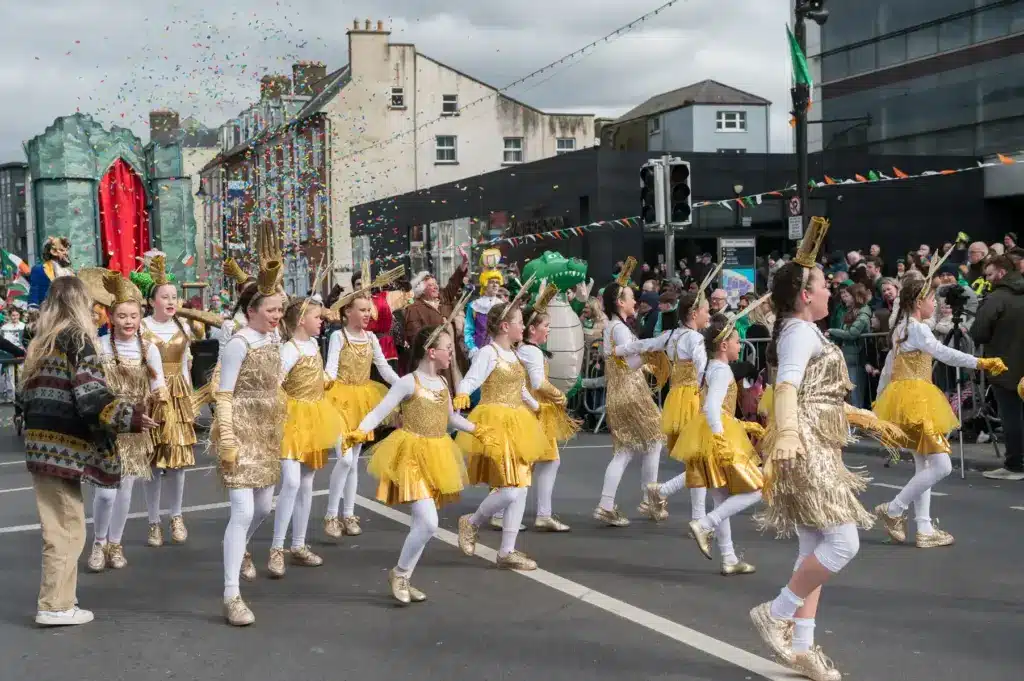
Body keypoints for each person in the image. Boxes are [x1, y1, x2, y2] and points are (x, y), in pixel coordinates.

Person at [750, 217, 903, 680]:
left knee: (814, 545)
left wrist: (863, 417)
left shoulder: (805, 330)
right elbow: (788, 387)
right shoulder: (798, 331)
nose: (830, 293)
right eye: (822, 286)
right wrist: (793, 435)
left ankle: (802, 647)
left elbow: (820, 392)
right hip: (807, 445)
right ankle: (776, 612)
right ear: (804, 295)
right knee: (843, 541)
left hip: (817, 438)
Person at [20, 277, 156, 626]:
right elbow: (92, 397)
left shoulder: (41, 342)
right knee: (69, 529)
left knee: (57, 526)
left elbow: (24, 398)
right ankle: (55, 605)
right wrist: (132, 417)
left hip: (39, 445)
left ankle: (60, 597)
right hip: (63, 447)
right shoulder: (78, 340)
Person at [354, 321, 492, 604]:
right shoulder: (409, 382)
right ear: (431, 352)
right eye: (447, 349)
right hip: (410, 456)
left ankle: (403, 576)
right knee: (429, 522)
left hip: (437, 453)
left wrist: (476, 429)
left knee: (422, 522)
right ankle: (401, 573)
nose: (451, 354)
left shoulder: (442, 382)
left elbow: (451, 418)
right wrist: (358, 430)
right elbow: (380, 411)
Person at [874, 258, 1007, 547]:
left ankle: (923, 528)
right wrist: (980, 362)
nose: (935, 303)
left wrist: (880, 399)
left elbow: (888, 367)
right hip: (918, 402)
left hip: (906, 399)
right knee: (942, 465)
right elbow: (945, 353)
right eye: (932, 298)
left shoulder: (903, 328)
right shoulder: (917, 329)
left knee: (924, 466)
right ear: (920, 301)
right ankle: (894, 508)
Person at [212, 224, 287, 626]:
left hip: (268, 431)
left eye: (279, 309)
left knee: (263, 506)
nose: (277, 316)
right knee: (241, 510)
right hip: (239, 430)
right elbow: (223, 393)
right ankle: (231, 595)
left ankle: (240, 547)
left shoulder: (273, 341)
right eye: (270, 310)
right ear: (252, 310)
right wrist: (226, 437)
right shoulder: (239, 341)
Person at [617, 264, 720, 522]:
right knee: (699, 458)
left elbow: (647, 344)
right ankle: (664, 494)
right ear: (694, 313)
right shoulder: (695, 340)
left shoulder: (673, 335)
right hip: (691, 398)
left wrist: (618, 351)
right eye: (706, 310)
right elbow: (701, 369)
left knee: (696, 459)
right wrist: (709, 392)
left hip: (676, 398)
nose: (708, 315)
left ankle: (696, 516)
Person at [454, 299, 547, 571]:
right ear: (506, 326)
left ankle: (507, 550)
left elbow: (519, 388)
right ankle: (471, 523)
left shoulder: (515, 354)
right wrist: (461, 394)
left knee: (522, 486)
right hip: (495, 421)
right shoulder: (489, 353)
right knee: (508, 489)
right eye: (520, 321)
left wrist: (536, 406)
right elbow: (472, 379)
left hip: (518, 420)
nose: (524, 326)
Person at [676, 306, 768, 575]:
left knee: (722, 496)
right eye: (738, 342)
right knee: (756, 488)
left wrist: (738, 423)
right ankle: (705, 524)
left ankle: (728, 558)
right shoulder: (722, 371)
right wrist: (721, 438)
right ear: (724, 345)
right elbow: (713, 408)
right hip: (717, 435)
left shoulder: (713, 367)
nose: (741, 346)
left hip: (712, 432)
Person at [86, 270, 166, 573]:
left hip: (135, 428)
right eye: (122, 316)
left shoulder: (150, 349)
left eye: (133, 316)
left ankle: (115, 543)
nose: (129, 322)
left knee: (126, 490)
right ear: (110, 316)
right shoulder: (99, 346)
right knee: (105, 492)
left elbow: (160, 386)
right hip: (107, 426)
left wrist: (160, 402)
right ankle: (99, 541)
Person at [268, 297, 348, 577]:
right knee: (290, 482)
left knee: (306, 483)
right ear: (301, 320)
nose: (322, 321)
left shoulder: (313, 345)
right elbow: (273, 383)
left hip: (315, 417)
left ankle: (298, 545)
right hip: (292, 419)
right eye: (317, 317)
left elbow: (318, 376)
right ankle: (277, 548)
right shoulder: (288, 350)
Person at [592, 258, 665, 527]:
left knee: (626, 450)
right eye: (632, 298)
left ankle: (607, 503)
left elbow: (621, 363)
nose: (636, 301)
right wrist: (652, 354)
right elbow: (629, 362)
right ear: (620, 303)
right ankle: (650, 498)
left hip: (617, 393)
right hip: (632, 393)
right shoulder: (620, 329)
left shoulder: (612, 327)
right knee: (654, 440)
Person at [323, 287, 401, 538]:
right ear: (348, 312)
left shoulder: (371, 339)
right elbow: (331, 369)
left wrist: (406, 385)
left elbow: (384, 369)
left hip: (363, 402)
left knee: (354, 462)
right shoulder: (339, 337)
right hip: (340, 401)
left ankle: (348, 514)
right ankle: (331, 515)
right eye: (363, 310)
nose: (368, 314)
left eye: (370, 310)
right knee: (345, 459)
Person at [140, 253, 197, 547]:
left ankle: (176, 515)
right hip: (152, 398)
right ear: (152, 301)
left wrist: (190, 402)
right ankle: (153, 521)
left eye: (174, 296)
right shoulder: (142, 327)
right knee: (153, 463)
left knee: (178, 463)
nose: (171, 301)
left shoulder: (183, 328)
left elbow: (187, 365)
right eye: (165, 296)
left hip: (179, 399)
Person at [514, 286, 580, 531]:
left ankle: (540, 513)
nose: (549, 331)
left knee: (545, 460)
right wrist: (558, 396)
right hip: (533, 411)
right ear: (532, 329)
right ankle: (504, 512)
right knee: (528, 462)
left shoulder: (528, 350)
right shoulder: (531, 351)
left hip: (533, 410)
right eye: (546, 327)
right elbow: (537, 383)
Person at [973, 255, 1024, 481]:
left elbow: (979, 332)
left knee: (1011, 416)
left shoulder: (997, 297)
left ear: (1002, 273)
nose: (987, 279)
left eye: (990, 274)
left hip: (1005, 367)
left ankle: (1015, 465)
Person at [828, 283, 872, 408]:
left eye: (848, 295)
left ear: (855, 297)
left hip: (856, 358)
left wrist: (832, 331)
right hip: (848, 357)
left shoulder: (863, 314)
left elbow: (852, 333)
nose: (844, 297)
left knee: (856, 397)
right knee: (850, 397)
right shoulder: (850, 312)